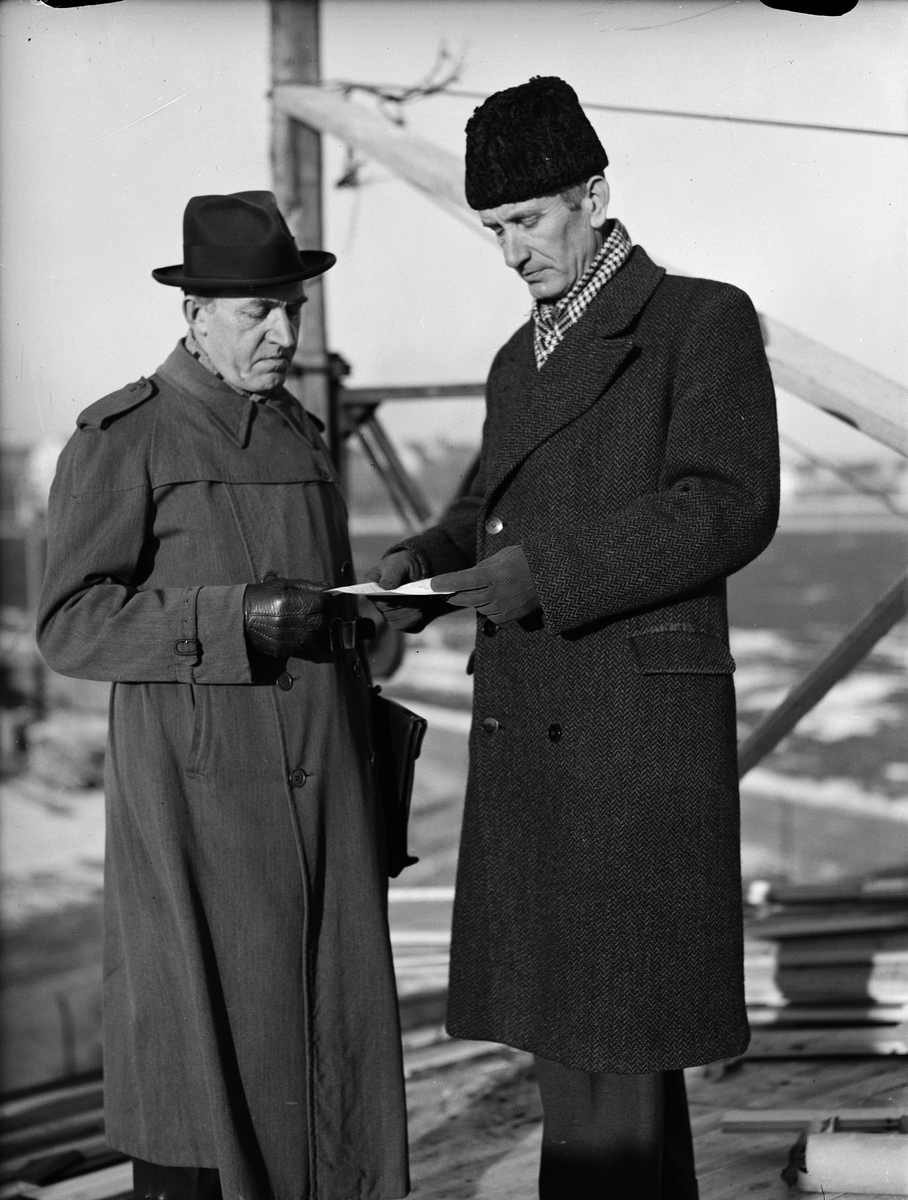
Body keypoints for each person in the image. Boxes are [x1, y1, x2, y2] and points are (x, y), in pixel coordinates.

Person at [367, 77, 779, 1199]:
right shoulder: (520, 357)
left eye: (529, 220)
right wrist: (419, 565)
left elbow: (727, 503)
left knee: (618, 1046)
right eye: (493, 229)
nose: (512, 252)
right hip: (539, 725)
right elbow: (487, 507)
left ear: (592, 196)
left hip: (629, 738)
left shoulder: (699, 320)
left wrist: (543, 576)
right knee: (575, 1047)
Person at [37, 191, 408, 1200]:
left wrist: (371, 616)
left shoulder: (296, 431)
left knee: (328, 1050)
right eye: (259, 313)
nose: (285, 333)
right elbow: (70, 623)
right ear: (195, 314)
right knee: (202, 1061)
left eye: (293, 308)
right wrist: (233, 617)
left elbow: (318, 601)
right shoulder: (123, 438)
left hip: (325, 795)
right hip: (200, 808)